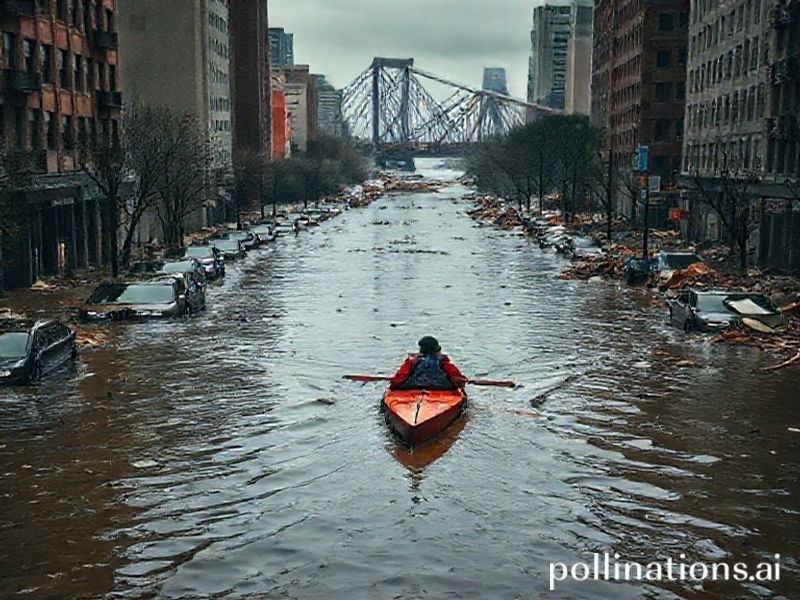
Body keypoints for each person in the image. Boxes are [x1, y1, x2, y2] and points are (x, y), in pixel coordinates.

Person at [389, 336, 467, 390]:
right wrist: (463, 381)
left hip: (414, 387)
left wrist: (393, 383)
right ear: (437, 351)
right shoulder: (444, 362)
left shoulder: (412, 362)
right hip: (440, 388)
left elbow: (399, 379)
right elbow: (458, 380)